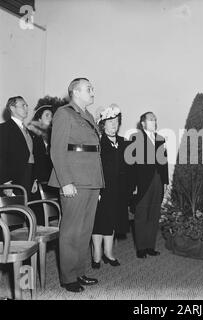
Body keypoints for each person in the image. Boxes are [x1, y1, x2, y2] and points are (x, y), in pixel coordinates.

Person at [48, 78, 104, 293]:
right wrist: (66, 182)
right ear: (75, 92)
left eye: (93, 88)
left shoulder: (88, 116)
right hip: (74, 180)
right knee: (71, 230)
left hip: (91, 181)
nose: (93, 91)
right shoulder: (64, 113)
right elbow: (57, 151)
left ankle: (79, 271)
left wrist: (97, 183)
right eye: (89, 88)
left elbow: (94, 152)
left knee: (85, 230)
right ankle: (68, 277)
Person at [91, 104, 130, 269]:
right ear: (103, 124)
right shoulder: (98, 143)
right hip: (102, 189)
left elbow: (128, 168)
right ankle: (96, 255)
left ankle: (108, 253)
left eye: (116, 121)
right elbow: (93, 168)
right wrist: (96, 189)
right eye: (110, 121)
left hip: (118, 190)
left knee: (112, 221)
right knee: (99, 222)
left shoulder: (123, 143)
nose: (114, 125)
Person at [128, 112, 169, 259]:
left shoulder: (160, 139)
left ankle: (150, 246)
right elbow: (131, 166)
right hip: (143, 182)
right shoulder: (135, 139)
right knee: (141, 215)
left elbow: (164, 162)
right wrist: (133, 186)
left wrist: (165, 182)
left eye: (155, 119)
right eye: (151, 119)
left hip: (158, 180)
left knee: (154, 214)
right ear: (143, 123)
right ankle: (141, 248)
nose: (154, 121)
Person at [0, 96, 38, 196]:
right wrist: (6, 181)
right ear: (12, 108)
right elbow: (1, 157)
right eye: (23, 105)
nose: (26, 108)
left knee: (27, 207)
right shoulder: (3, 129)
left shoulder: (29, 131)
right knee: (15, 209)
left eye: (27, 105)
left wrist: (34, 178)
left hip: (28, 175)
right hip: (13, 178)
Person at [28, 104, 54, 183]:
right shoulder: (31, 135)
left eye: (51, 116)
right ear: (39, 119)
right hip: (36, 178)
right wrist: (34, 179)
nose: (50, 118)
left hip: (51, 178)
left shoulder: (54, 135)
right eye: (47, 115)